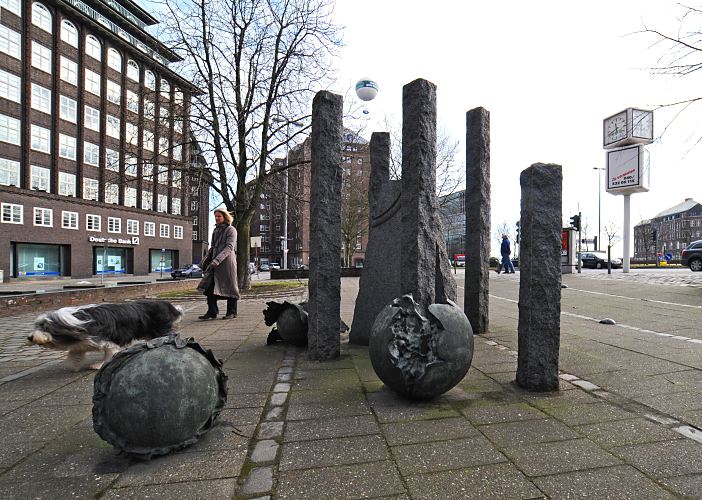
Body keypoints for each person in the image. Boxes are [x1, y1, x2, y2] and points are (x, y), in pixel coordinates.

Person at [198, 207, 240, 320]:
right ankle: (212, 311)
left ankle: (232, 312)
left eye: (219, 216)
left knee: (231, 287)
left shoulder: (231, 230)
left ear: (225, 217)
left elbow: (229, 247)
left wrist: (217, 260)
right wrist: (206, 260)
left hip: (226, 263)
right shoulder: (215, 230)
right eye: (215, 216)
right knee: (209, 287)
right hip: (214, 264)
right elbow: (212, 247)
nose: (216, 218)